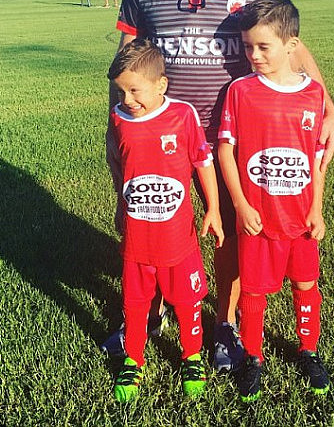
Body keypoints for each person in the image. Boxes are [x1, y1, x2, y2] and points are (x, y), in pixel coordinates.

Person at [103, 0, 334, 373]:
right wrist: (117, 132)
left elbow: (288, 45)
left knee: (230, 234)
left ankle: (223, 323)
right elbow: (125, 62)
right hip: (159, 135)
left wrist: (326, 100)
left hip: (237, 139)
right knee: (151, 222)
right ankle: (154, 311)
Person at [218, 0, 330, 402]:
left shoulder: (313, 96)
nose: (253, 55)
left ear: (291, 45)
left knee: (306, 283)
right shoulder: (240, 91)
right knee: (253, 292)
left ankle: (308, 350)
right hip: (258, 219)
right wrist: (242, 205)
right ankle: (253, 357)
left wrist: (317, 208)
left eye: (263, 46)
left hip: (299, 219)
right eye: (248, 46)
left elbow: (316, 159)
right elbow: (225, 151)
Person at [107, 39, 224, 402]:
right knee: (135, 301)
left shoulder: (182, 116)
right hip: (137, 239)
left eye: (135, 90)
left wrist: (214, 209)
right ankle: (133, 359)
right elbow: (117, 163)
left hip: (178, 238)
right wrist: (119, 203)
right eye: (122, 91)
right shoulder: (119, 117)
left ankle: (191, 356)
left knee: (186, 299)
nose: (128, 100)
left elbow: (204, 163)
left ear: (161, 85)